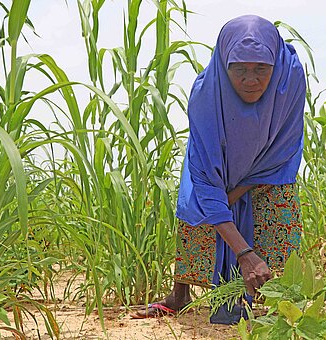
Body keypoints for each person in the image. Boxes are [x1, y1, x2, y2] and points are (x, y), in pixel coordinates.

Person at [133, 14, 306, 324]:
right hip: (215, 164)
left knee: (276, 209)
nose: (250, 80)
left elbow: (286, 141)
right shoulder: (206, 94)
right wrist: (243, 252)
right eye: (239, 70)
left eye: (261, 69)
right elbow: (204, 177)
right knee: (197, 208)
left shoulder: (289, 78)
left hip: (269, 164)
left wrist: (237, 193)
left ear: (275, 66)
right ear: (225, 65)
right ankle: (180, 295)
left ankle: (276, 295)